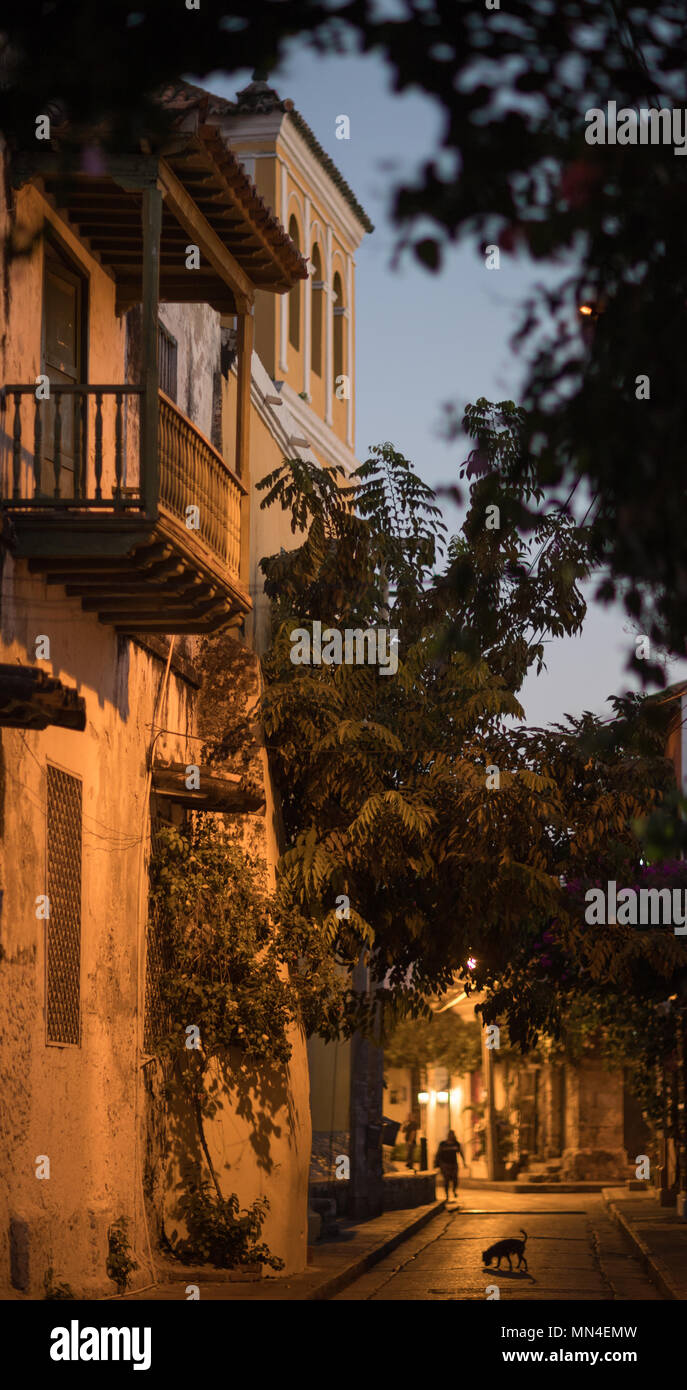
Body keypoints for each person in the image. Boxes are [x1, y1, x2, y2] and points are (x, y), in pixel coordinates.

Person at [435, 1128, 465, 1201]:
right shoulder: (443, 1144)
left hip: (453, 1164)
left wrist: (464, 1162)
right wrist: (437, 1163)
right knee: (446, 1180)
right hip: (445, 1164)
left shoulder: (456, 1143)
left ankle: (454, 1191)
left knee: (455, 1179)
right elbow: (438, 1153)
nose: (451, 1136)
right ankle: (447, 1194)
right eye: (450, 1135)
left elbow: (460, 1152)